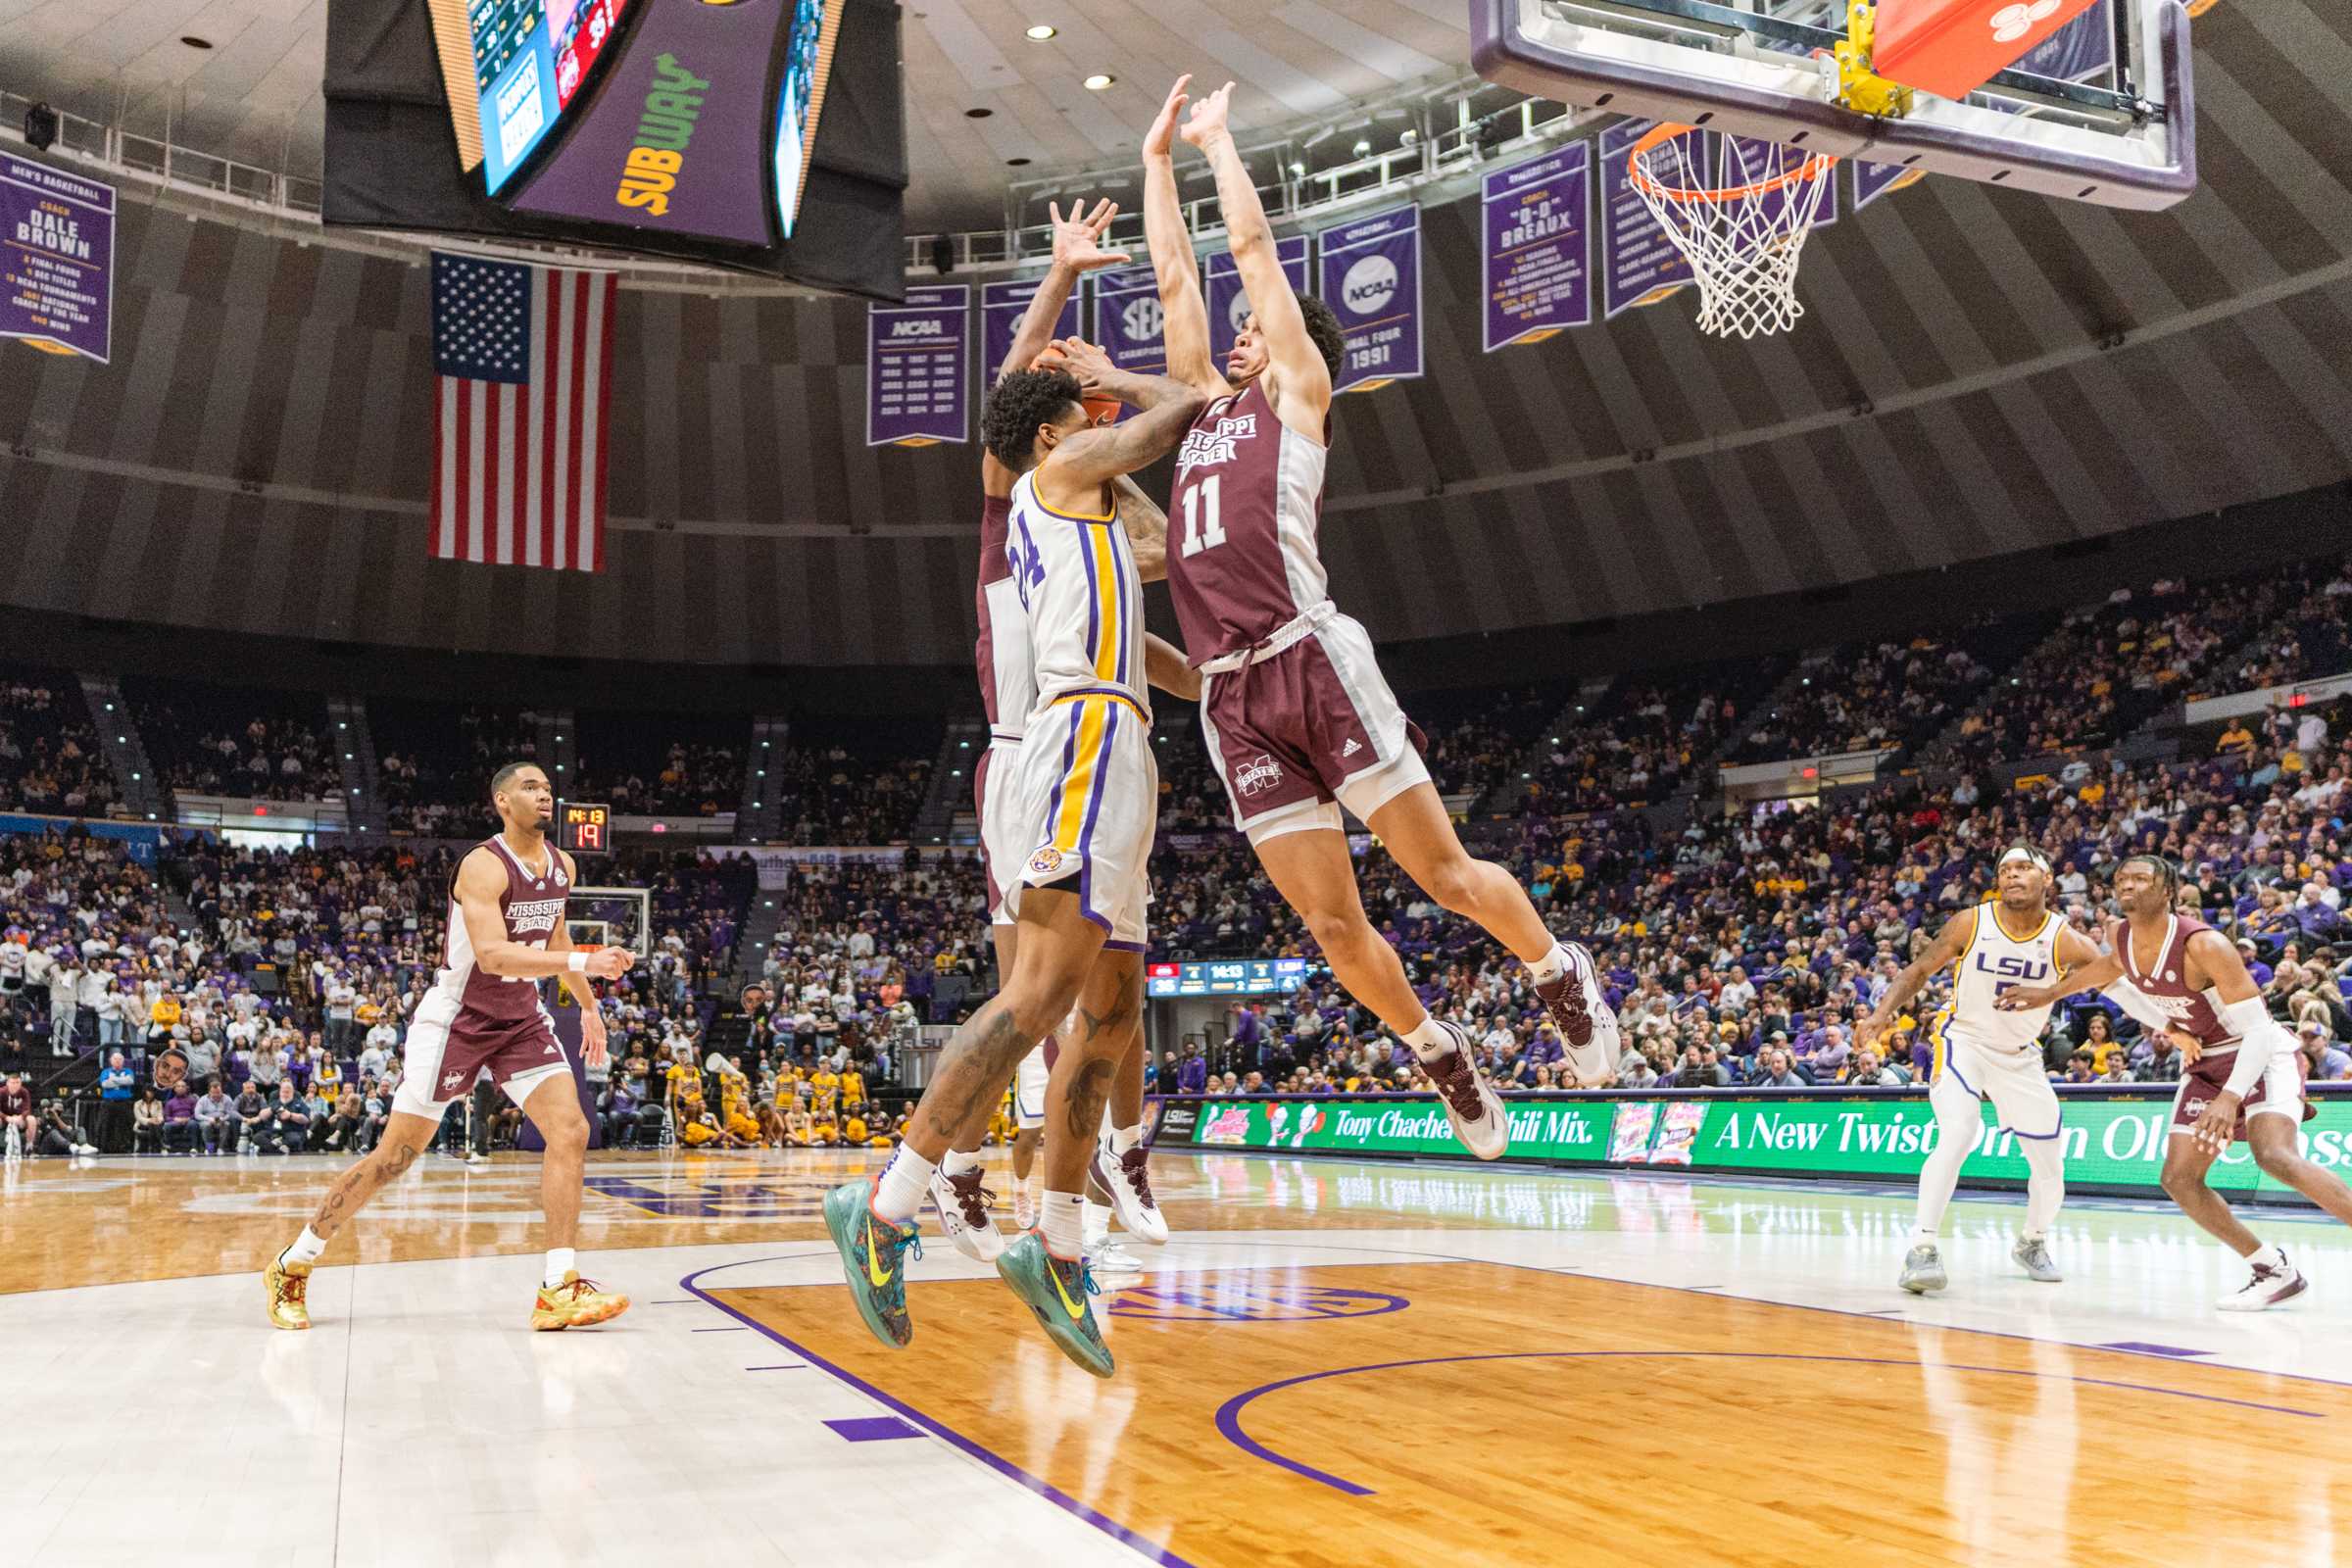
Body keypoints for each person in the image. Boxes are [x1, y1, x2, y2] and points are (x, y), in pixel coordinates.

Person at [1139, 76, 1613, 1162]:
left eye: (1261, 327)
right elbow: (1178, 276)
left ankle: (1554, 971)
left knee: (1440, 876)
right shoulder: (1202, 407)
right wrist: (1156, 162)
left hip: (1311, 657)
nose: (1242, 334)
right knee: (1328, 924)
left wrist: (1218, 145)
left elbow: (1251, 258)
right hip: (1232, 696)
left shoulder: (1296, 391)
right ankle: (1438, 1048)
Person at [821, 333, 1205, 1381]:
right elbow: (1188, 409)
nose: (1099, 414)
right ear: (1054, 427)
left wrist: (1231, 689)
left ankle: (1060, 1240)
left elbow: (1169, 578)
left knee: (1116, 1014)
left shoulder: (1088, 511)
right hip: (1080, 736)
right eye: (1082, 407)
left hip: (1120, 735)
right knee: (1039, 996)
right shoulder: (1061, 467)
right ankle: (889, 1204)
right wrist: (1120, 384)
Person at [263, 762, 637, 1332]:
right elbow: (493, 956)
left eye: (547, 787)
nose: (545, 795)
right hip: (456, 1021)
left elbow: (555, 935)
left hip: (520, 1021)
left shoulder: (562, 864)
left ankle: (558, 1286)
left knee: (571, 1130)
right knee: (395, 1159)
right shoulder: (482, 866)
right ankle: (294, 1263)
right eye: (531, 788)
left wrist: (588, 1005)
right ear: (502, 802)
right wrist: (585, 962)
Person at [1999, 853, 2352, 1310]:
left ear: (2167, 891)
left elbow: (2260, 1032)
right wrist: (2048, 994)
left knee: (2275, 1156)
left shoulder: (2205, 945)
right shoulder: (2119, 936)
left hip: (2259, 1053)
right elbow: (2107, 971)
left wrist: (2229, 1098)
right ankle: (2272, 1268)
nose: (2127, 885)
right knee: (2180, 1178)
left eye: (2141, 878)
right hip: (2205, 1060)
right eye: (2122, 878)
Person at [1863, 846, 2105, 1295]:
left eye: (2023, 868)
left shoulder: (2062, 936)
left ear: (2047, 879)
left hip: (2019, 1054)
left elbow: (2107, 970)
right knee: (1958, 1132)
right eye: (2005, 869)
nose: (2012, 875)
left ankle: (2032, 1242)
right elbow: (1918, 969)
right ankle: (1922, 1247)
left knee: (2050, 1167)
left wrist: (2051, 991)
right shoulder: (1972, 921)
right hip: (1964, 1042)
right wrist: (1882, 1014)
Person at [96, 1050, 136, 1152]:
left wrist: (113, 1079)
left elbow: (130, 1081)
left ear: (123, 1061)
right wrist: (122, 1081)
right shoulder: (105, 1071)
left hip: (124, 1103)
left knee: (125, 1126)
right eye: (115, 1059)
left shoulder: (128, 1071)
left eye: (120, 1059)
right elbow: (105, 1084)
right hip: (109, 1103)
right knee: (106, 1125)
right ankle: (104, 1148)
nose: (117, 1061)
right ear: (111, 1061)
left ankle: (125, 1148)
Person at [192, 1077, 235, 1155]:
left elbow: (231, 1113)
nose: (216, 1095)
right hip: (207, 1120)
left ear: (221, 1090)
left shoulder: (227, 1099)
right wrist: (209, 1119)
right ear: (209, 1092)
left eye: (218, 1092)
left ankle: (220, 1148)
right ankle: (209, 1149)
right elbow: (197, 1115)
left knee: (226, 1125)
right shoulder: (203, 1099)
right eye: (214, 1093)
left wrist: (223, 1118)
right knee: (206, 1126)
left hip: (222, 1120)